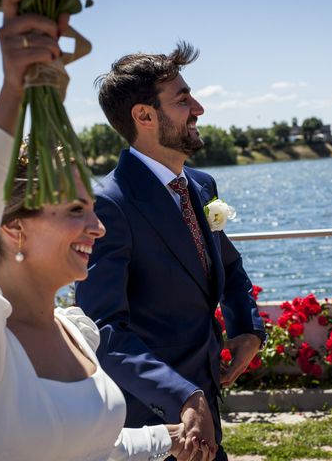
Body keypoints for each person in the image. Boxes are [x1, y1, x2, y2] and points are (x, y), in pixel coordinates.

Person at [0, 0, 214, 461]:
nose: (98, 226)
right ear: (11, 227)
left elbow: (95, 444)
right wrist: (14, 90)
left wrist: (166, 439)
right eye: (74, 210)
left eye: (91, 208)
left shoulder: (75, 331)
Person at [75, 42, 266, 460]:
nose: (198, 108)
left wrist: (247, 328)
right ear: (143, 116)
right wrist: (181, 395)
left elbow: (228, 266)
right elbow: (105, 329)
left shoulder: (201, 186)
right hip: (149, 418)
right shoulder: (107, 204)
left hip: (203, 404)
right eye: (182, 100)